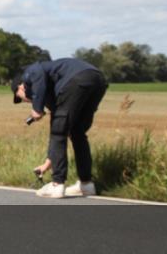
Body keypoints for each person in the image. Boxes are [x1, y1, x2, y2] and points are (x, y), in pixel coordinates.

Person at [12, 58, 108, 198]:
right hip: (97, 80)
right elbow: (62, 129)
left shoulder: (30, 72)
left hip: (77, 79)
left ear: (20, 87)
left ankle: (57, 184)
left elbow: (37, 74)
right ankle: (86, 185)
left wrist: (37, 108)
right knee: (77, 133)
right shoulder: (53, 93)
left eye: (20, 98)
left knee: (58, 132)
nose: (25, 101)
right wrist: (47, 163)